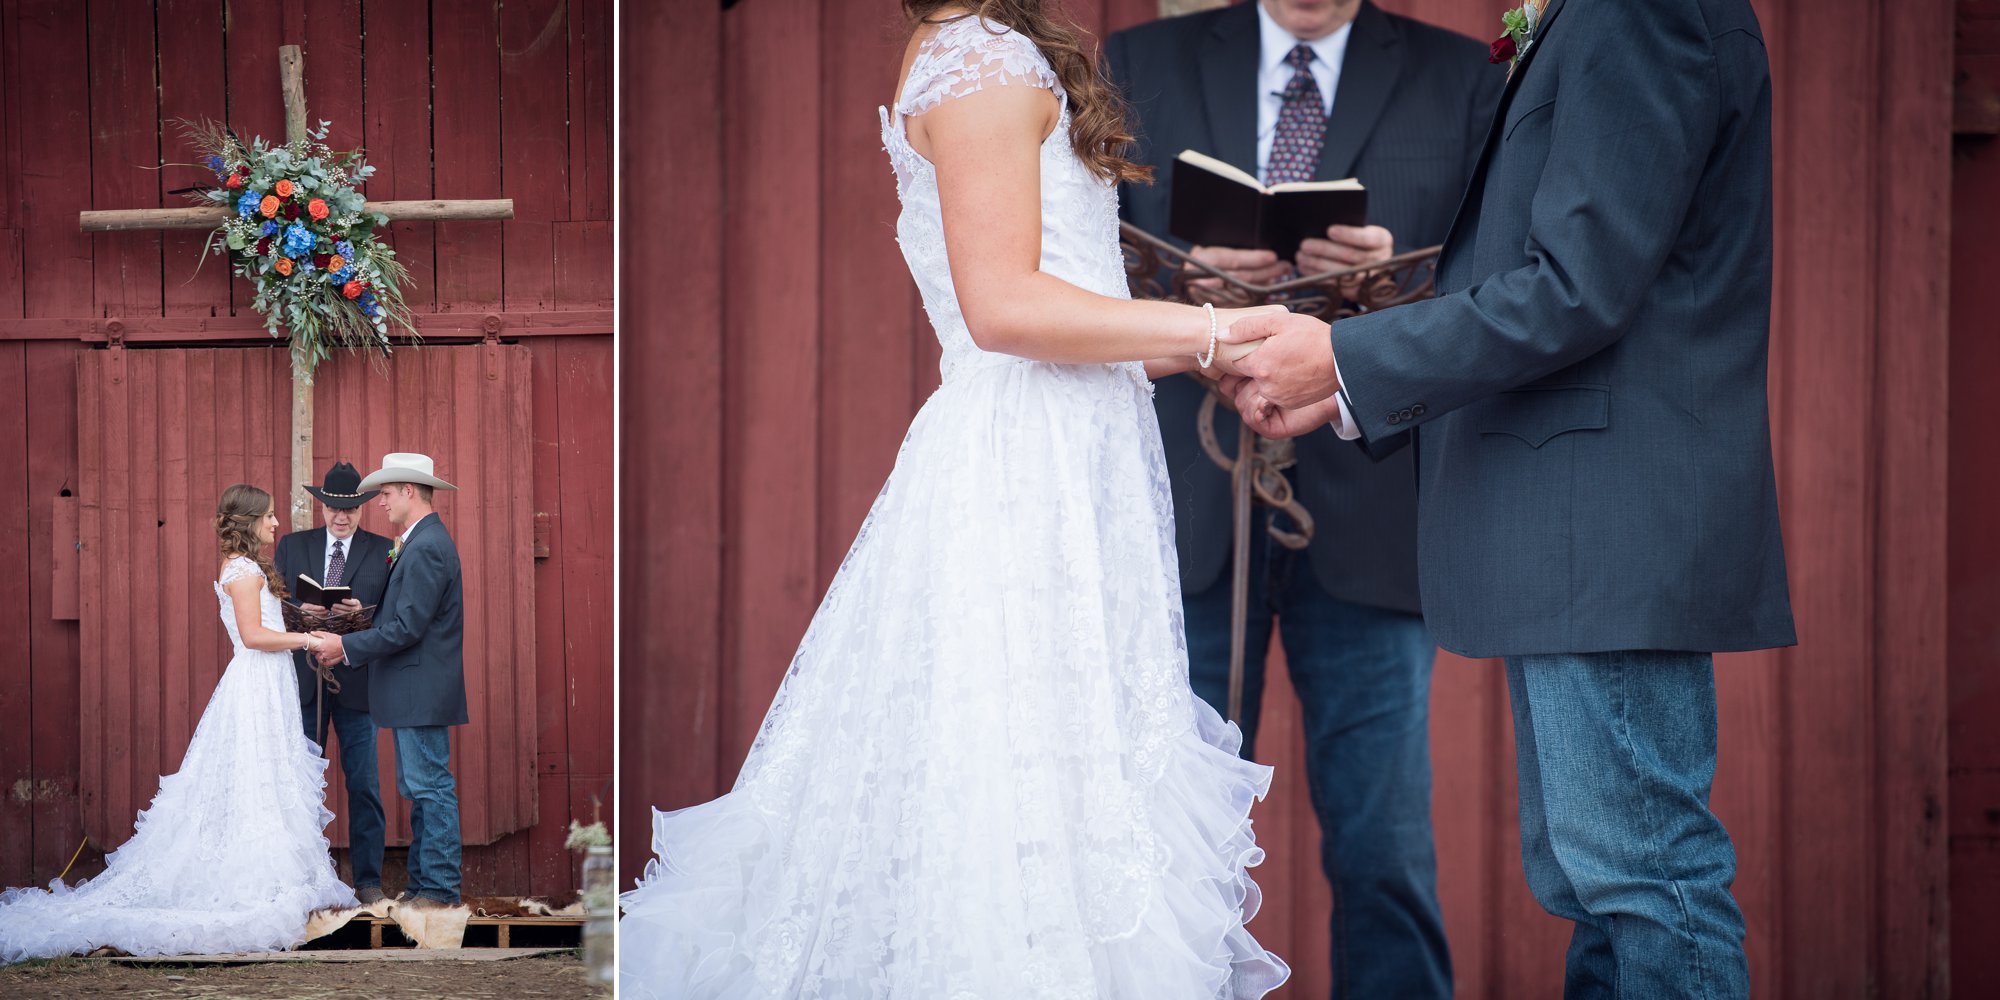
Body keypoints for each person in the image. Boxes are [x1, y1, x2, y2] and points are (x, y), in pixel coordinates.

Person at [618, 2, 1296, 996]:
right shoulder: (978, 56)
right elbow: (1004, 307)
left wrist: (1215, 353)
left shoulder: (984, 49)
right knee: (1013, 783)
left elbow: (1062, 296)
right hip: (1025, 472)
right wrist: (1208, 331)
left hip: (1075, 454)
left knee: (1059, 790)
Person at [1221, 0, 1795, 995]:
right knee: (1595, 880)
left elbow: (1575, 286)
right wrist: (1349, 378)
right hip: (1572, 524)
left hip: (1603, 521)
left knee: (1641, 877)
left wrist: (1342, 358)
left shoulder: (1641, 14)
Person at [1105, 2, 1500, 994]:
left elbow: (1498, 288)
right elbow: (1075, 267)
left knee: (1383, 848)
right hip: (1185, 502)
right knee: (1168, 837)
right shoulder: (1137, 62)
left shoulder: (1460, 76)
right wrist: (1185, 297)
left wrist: (1385, 287)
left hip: (1368, 499)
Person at [0, 485, 355, 961]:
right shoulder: (244, 571)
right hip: (256, 683)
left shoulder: (245, 568)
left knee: (266, 776)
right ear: (248, 521)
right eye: (268, 517)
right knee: (254, 775)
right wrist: (307, 639)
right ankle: (255, 883)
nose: (276, 524)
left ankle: (272, 875)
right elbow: (251, 636)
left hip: (268, 685)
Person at [312, 453, 468, 910]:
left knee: (430, 788)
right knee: (420, 789)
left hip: (419, 690)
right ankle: (422, 887)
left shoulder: (427, 546)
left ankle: (438, 891)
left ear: (408, 492)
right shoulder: (418, 542)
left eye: (384, 493)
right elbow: (405, 616)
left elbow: (409, 627)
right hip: (413, 690)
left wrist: (346, 647)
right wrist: (362, 614)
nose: (379, 502)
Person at [274, 461, 392, 906]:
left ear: (362, 509)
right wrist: (305, 616)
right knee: (301, 784)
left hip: (358, 684)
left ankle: (368, 883)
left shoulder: (385, 549)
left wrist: (361, 615)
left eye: (351, 510)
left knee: (363, 783)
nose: (341, 518)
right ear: (321, 506)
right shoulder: (292, 545)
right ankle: (303, 882)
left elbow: (391, 616)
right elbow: (277, 604)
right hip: (305, 682)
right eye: (333, 509)